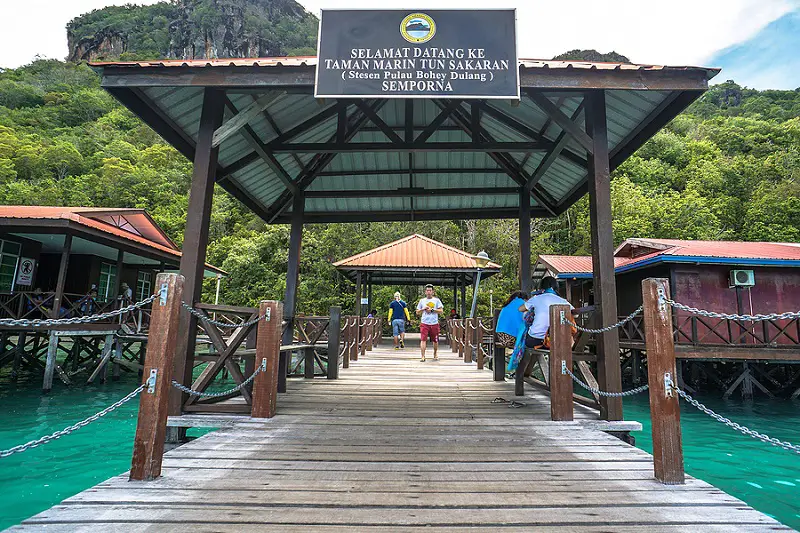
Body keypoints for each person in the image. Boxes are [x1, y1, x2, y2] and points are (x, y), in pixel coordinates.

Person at [514, 277, 573, 395]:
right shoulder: (563, 301)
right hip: (556, 341)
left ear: (542, 287)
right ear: (555, 287)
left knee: (525, 339)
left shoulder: (536, 298)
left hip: (535, 340)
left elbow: (520, 309)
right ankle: (558, 389)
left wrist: (533, 309)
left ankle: (520, 378)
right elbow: (574, 314)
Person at [416, 284, 443, 362]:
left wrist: (432, 310)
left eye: (430, 290)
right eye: (427, 290)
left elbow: (441, 311)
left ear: (433, 292)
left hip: (434, 323)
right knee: (423, 339)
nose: (429, 292)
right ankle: (423, 356)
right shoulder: (422, 301)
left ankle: (435, 353)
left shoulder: (436, 300)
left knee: (435, 340)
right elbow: (417, 312)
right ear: (425, 292)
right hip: (424, 323)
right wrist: (423, 309)